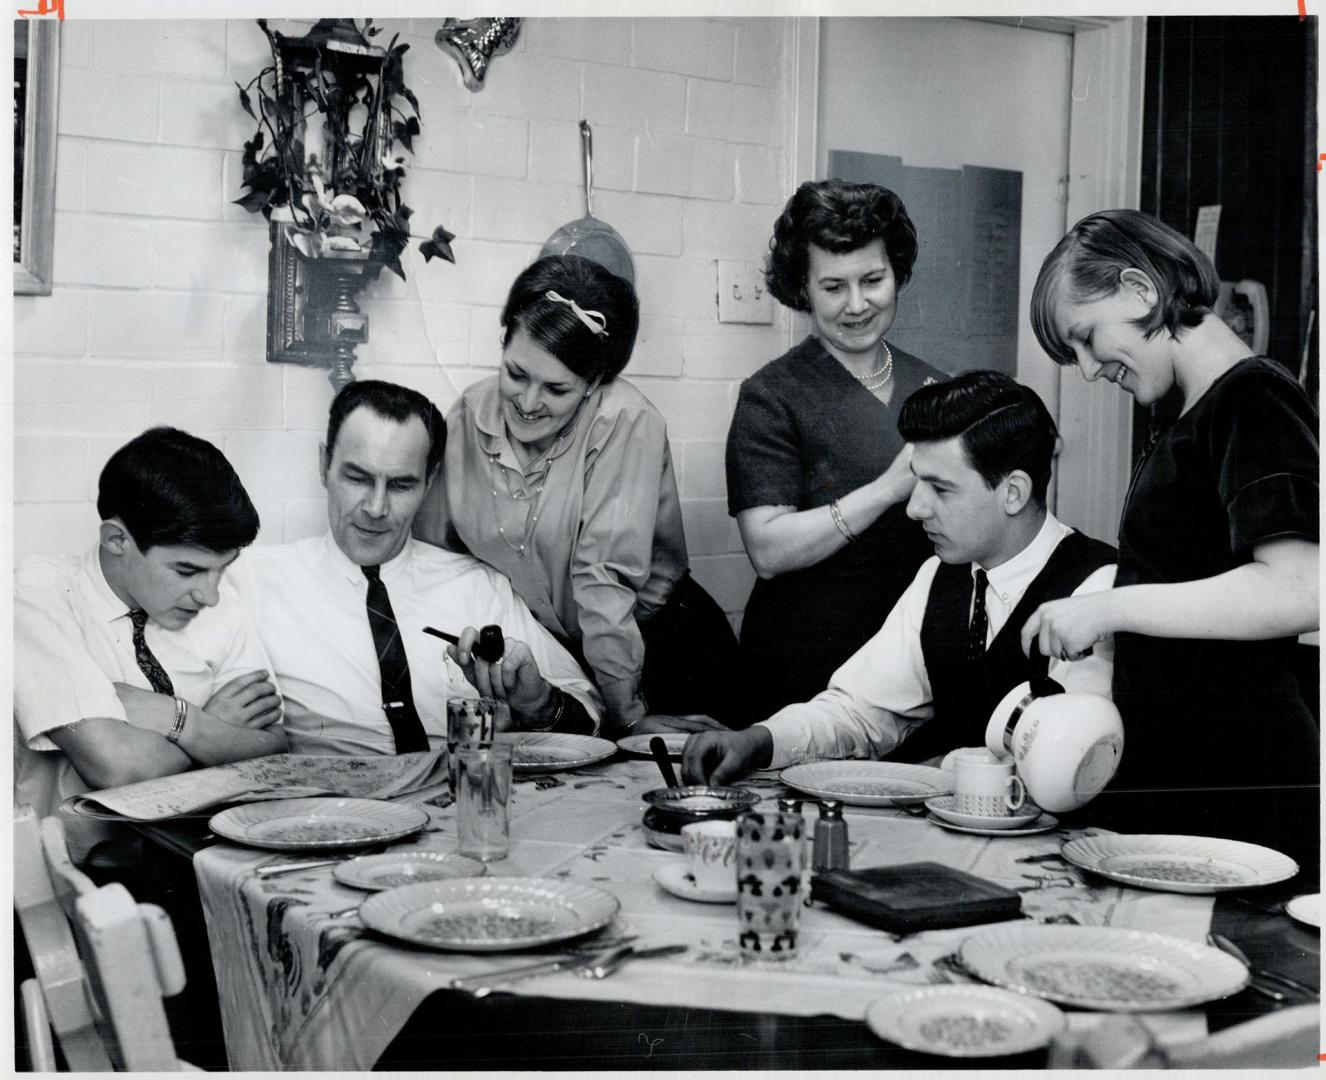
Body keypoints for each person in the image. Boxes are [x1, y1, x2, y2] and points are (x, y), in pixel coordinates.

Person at [1022, 208, 1319, 849]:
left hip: (1242, 778)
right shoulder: (1189, 415)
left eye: (1085, 338)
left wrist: (1109, 609)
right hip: (1187, 767)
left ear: (1140, 290)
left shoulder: (1254, 399)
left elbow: (1300, 589)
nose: (1089, 369)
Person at [684, 372, 1117, 786]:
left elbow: (1065, 763)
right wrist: (762, 740)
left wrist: (943, 771)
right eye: (917, 483)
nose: (915, 508)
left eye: (940, 488)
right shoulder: (940, 574)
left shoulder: (1097, 590)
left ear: (1013, 492)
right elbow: (863, 711)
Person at [414, 255, 739, 737]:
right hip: (557, 656)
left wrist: (628, 717)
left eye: (556, 389)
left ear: (593, 384)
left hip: (657, 651)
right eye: (516, 374)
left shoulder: (625, 421)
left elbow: (602, 579)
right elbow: (436, 558)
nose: (527, 403)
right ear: (502, 343)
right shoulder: (465, 416)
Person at [241, 379, 603, 755]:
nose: (376, 508)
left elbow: (592, 717)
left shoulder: (479, 588)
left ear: (429, 483)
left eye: (400, 485)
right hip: (330, 805)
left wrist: (539, 703)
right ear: (324, 466)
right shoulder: (254, 581)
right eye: (357, 478)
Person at [726, 179, 948, 724]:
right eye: (833, 286)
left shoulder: (936, 387)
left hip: (911, 662)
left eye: (872, 280)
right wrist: (884, 492)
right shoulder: (771, 395)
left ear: (896, 273)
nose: (857, 304)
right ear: (802, 289)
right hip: (803, 661)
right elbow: (769, 550)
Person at [14, 426, 284, 862]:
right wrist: (215, 732)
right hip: (83, 885)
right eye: (187, 570)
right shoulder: (38, 595)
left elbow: (273, 749)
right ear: (116, 539)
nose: (210, 595)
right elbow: (119, 768)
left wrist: (181, 722)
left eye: (222, 569)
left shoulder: (220, 599)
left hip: (210, 864)